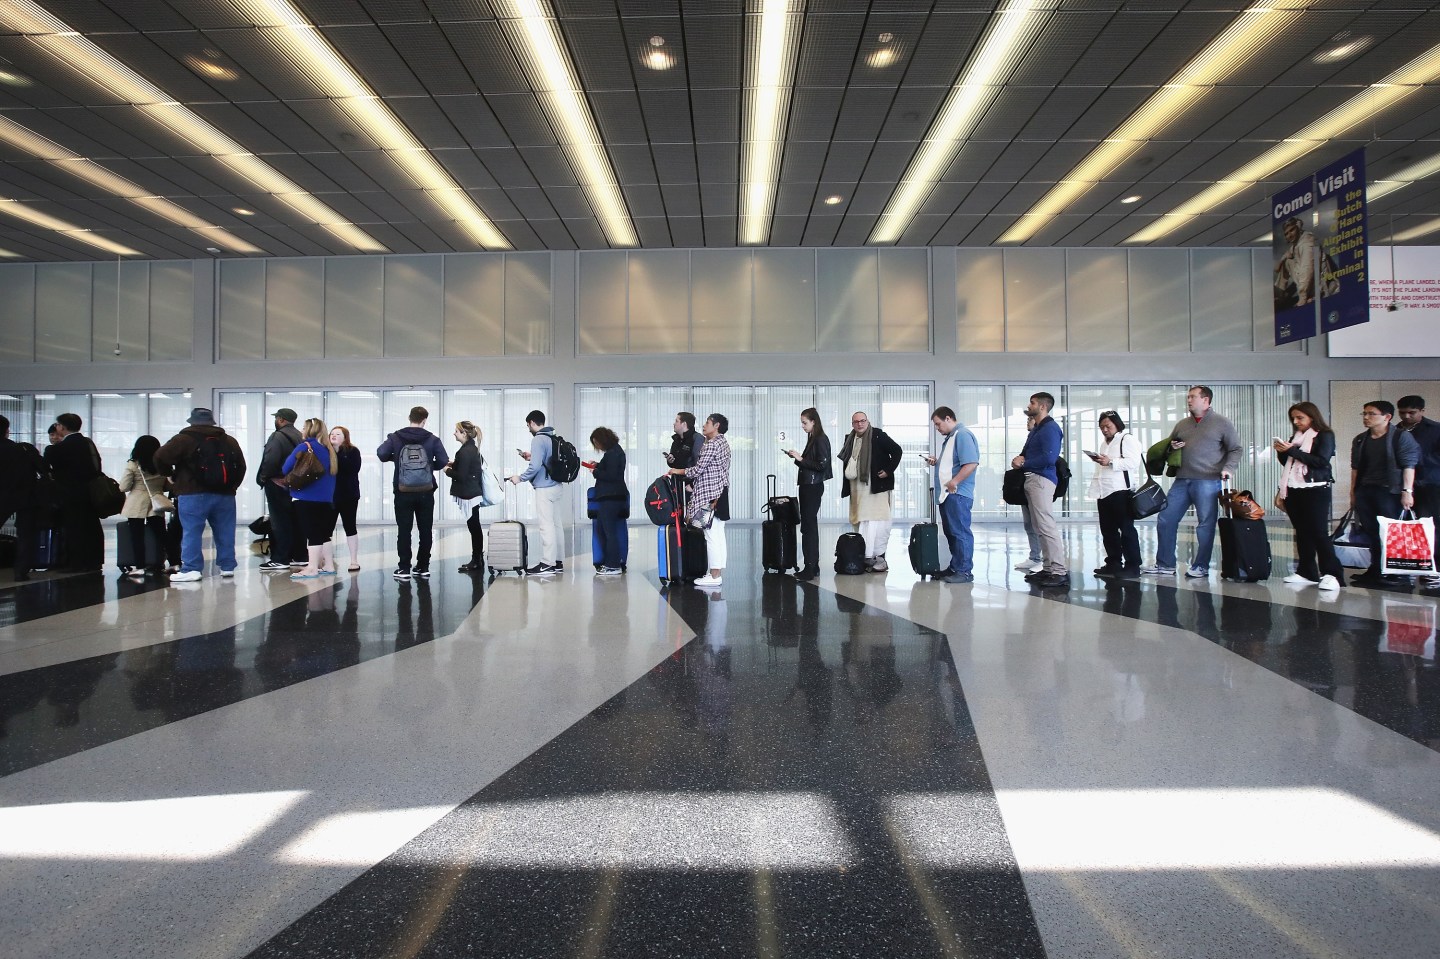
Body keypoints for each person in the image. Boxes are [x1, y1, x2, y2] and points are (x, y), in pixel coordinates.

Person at [1142, 386, 1242, 579]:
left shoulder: (1222, 423)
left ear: (1206, 400)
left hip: (1208, 481)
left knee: (1205, 524)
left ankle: (1201, 566)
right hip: (1182, 479)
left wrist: (1228, 468)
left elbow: (1236, 449)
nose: (1189, 400)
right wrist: (1173, 447)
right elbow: (1170, 449)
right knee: (1166, 518)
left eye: (1193, 397)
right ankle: (1165, 564)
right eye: (1188, 397)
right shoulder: (1182, 424)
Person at [155, 407, 247, 582]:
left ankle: (192, 568)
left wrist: (170, 475)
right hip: (225, 495)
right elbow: (241, 466)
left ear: (192, 422)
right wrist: (232, 486)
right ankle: (227, 567)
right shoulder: (229, 441)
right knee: (225, 531)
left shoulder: (183, 439)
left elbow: (160, 457)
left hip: (192, 493)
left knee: (192, 531)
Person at [1273, 402, 1343, 591]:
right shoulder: (1296, 437)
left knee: (1318, 531)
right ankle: (1307, 571)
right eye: (1294, 419)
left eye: (1300, 418)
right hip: (1294, 488)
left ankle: (1332, 573)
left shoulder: (1324, 435)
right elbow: (1290, 461)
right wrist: (1282, 452)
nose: (1296, 422)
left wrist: (1291, 451)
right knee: (1302, 531)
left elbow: (1320, 461)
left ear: (1312, 417)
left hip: (1316, 488)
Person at [1349, 400, 1420, 586]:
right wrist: (1353, 493)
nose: (1366, 417)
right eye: (1364, 413)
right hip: (1366, 490)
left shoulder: (1400, 437)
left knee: (1391, 532)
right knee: (1371, 531)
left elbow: (1408, 465)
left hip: (1389, 492)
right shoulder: (1360, 439)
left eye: (1371, 414)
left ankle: (1397, 572)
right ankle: (1376, 569)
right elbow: (1355, 468)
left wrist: (1407, 491)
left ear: (1387, 417)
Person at [377, 406, 448, 581]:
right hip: (426, 491)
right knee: (426, 530)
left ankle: (404, 568)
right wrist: (430, 466)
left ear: (409, 417)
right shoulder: (432, 439)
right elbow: (443, 461)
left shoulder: (395, 437)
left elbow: (381, 453)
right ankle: (423, 567)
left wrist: (396, 459)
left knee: (404, 530)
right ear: (424, 420)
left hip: (403, 491)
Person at [1012, 392, 1069, 588]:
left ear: (1043, 406)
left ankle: (1059, 571)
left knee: (1046, 525)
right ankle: (1047, 568)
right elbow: (1027, 452)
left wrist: (1024, 463)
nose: (1029, 405)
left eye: (1033, 402)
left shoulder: (1051, 429)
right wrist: (1020, 458)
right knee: (1039, 527)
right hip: (1032, 479)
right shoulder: (1037, 429)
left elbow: (1049, 458)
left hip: (1042, 480)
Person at [670, 413, 731, 589]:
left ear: (716, 425)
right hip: (721, 492)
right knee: (718, 534)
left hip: (710, 494)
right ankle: (716, 573)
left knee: (710, 535)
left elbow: (697, 470)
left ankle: (714, 576)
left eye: (707, 423)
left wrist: (677, 471)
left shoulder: (712, 444)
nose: (704, 426)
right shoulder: (723, 443)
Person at [837, 411, 903, 572]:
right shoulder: (850, 438)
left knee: (875, 521)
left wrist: (888, 470)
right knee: (860, 520)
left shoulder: (878, 435)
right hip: (856, 487)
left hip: (875, 487)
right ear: (852, 424)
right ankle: (863, 555)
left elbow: (897, 451)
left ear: (867, 421)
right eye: (856, 422)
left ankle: (876, 557)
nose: (860, 424)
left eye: (862, 421)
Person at [924, 407, 979, 584]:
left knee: (960, 532)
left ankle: (964, 571)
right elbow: (952, 464)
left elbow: (971, 463)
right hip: (948, 495)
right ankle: (955, 567)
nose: (937, 428)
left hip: (958, 494)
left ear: (948, 418)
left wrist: (955, 481)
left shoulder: (962, 435)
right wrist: (937, 462)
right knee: (952, 532)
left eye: (938, 424)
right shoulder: (951, 438)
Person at [44, 412, 105, 572]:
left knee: (74, 528)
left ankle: (76, 563)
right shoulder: (88, 443)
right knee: (91, 526)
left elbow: (49, 466)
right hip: (91, 492)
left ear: (62, 427)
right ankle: (95, 561)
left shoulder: (59, 448)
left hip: (70, 494)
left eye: (57, 425)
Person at [507, 410, 565, 576]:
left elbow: (535, 467)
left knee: (546, 526)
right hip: (556, 486)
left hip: (544, 489)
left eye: (528, 425)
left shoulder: (538, 439)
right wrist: (531, 456)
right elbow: (545, 460)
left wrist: (520, 478)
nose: (528, 429)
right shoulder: (552, 437)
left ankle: (547, 563)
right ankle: (558, 562)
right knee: (556, 525)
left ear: (532, 422)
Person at [282, 418, 338, 580]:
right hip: (326, 499)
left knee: (312, 533)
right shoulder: (329, 450)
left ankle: (312, 567)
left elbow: (285, 468)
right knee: (322, 533)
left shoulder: (304, 447)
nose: (301, 431)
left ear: (309, 431)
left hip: (305, 497)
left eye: (303, 428)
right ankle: (328, 565)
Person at [1088, 410, 1143, 577]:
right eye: (1101, 427)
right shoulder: (1105, 443)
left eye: (1108, 426)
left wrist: (1111, 461)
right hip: (1104, 491)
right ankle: (1113, 563)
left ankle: (1133, 566)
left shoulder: (1127, 439)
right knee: (1108, 530)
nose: (1105, 429)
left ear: (1116, 424)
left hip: (1121, 491)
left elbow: (1134, 462)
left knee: (1126, 530)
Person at [118, 435, 179, 578]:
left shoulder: (133, 464)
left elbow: (124, 487)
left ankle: (140, 567)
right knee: (163, 535)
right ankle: (174, 562)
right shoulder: (162, 464)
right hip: (156, 502)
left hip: (136, 503)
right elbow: (168, 485)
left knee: (136, 537)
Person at [1396, 395, 1440, 588]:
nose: (1406, 416)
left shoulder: (1435, 430)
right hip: (1401, 485)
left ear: (1422, 411)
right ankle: (1410, 566)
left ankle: (1435, 568)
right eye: (1402, 412)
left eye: (1411, 413)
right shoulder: (1395, 430)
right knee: (1406, 527)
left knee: (1430, 526)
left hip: (1429, 484)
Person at [784, 407, 832, 581]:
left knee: (808, 527)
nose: (803, 426)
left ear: (814, 422)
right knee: (808, 525)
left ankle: (810, 567)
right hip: (808, 485)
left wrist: (800, 458)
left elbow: (821, 465)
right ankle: (813, 565)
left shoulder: (820, 439)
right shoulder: (814, 439)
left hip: (812, 486)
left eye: (805, 423)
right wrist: (798, 459)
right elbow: (812, 464)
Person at [257, 408, 304, 572]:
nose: (275, 420)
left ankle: (281, 558)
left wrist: (264, 477)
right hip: (296, 485)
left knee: (280, 522)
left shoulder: (277, 436)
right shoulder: (300, 436)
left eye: (276, 418)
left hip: (278, 484)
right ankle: (299, 556)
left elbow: (271, 460)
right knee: (295, 521)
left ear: (281, 420)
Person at [0, 414, 45, 581]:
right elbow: (43, 469)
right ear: (7, 431)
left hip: (2, 497)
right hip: (26, 497)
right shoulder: (24, 449)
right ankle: (21, 571)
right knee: (26, 534)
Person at [445, 420, 486, 573]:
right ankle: (477, 558)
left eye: (456, 431)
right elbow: (467, 468)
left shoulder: (464, 451)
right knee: (475, 526)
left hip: (469, 493)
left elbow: (461, 476)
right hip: (473, 491)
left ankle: (476, 560)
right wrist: (455, 464)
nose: (454, 433)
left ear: (464, 433)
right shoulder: (471, 449)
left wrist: (446, 470)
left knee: (474, 527)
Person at [589, 427, 629, 575]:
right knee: (605, 529)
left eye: (596, 442)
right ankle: (612, 562)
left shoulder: (612, 454)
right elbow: (613, 470)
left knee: (608, 531)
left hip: (611, 496)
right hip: (615, 496)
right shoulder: (615, 452)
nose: (597, 446)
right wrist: (598, 465)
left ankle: (613, 565)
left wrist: (595, 472)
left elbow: (611, 475)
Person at [329, 425, 362, 572]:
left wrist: (338, 453)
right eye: (332, 433)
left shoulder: (352, 451)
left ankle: (354, 560)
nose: (334, 436)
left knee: (350, 526)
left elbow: (353, 469)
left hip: (349, 495)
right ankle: (327, 561)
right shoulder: (325, 452)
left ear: (345, 437)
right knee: (326, 529)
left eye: (338, 434)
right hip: (330, 496)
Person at [1014, 411, 1043, 575]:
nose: (1028, 422)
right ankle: (1034, 556)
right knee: (1028, 523)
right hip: (1027, 483)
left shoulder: (1042, 436)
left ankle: (1044, 560)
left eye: (1030, 419)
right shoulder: (1031, 439)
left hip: (1037, 483)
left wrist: (1024, 462)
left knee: (1039, 523)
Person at [1274, 216, 1319, 309]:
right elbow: (1276, 268)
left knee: (1298, 267)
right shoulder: (1296, 245)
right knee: (1287, 261)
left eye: (1292, 230)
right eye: (1286, 233)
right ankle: (1280, 295)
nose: (1289, 235)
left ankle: (1286, 296)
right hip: (1307, 287)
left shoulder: (1306, 243)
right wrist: (1283, 258)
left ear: (1298, 227)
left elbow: (1307, 271)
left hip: (1316, 288)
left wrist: (1302, 298)